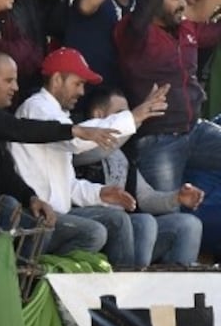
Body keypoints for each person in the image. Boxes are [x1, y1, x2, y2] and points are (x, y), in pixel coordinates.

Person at [0, 51, 120, 239]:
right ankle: (17, 267)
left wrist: (31, 198)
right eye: (8, 80)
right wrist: (73, 131)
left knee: (106, 224)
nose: (15, 87)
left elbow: (6, 172)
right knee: (13, 210)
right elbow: (15, 128)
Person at [10, 48, 168, 265]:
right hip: (35, 217)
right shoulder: (37, 107)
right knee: (94, 232)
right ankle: (44, 276)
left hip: (58, 215)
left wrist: (99, 194)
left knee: (118, 219)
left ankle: (121, 290)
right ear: (57, 80)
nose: (82, 92)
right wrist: (132, 117)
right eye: (78, 83)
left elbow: (68, 186)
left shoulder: (54, 113)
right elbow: (75, 139)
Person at [117, 0, 221, 191]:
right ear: (154, 1)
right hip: (158, 140)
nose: (183, 4)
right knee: (166, 216)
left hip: (196, 130)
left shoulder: (186, 28)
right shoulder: (132, 32)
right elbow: (139, 19)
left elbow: (215, 31)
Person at [77, 87, 203, 266]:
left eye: (128, 115)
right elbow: (99, 150)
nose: (127, 119)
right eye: (121, 114)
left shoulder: (122, 154)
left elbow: (146, 197)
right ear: (98, 114)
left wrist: (177, 198)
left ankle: (178, 291)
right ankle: (134, 288)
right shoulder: (78, 146)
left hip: (127, 234)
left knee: (189, 224)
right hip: (95, 230)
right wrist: (136, 120)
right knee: (143, 222)